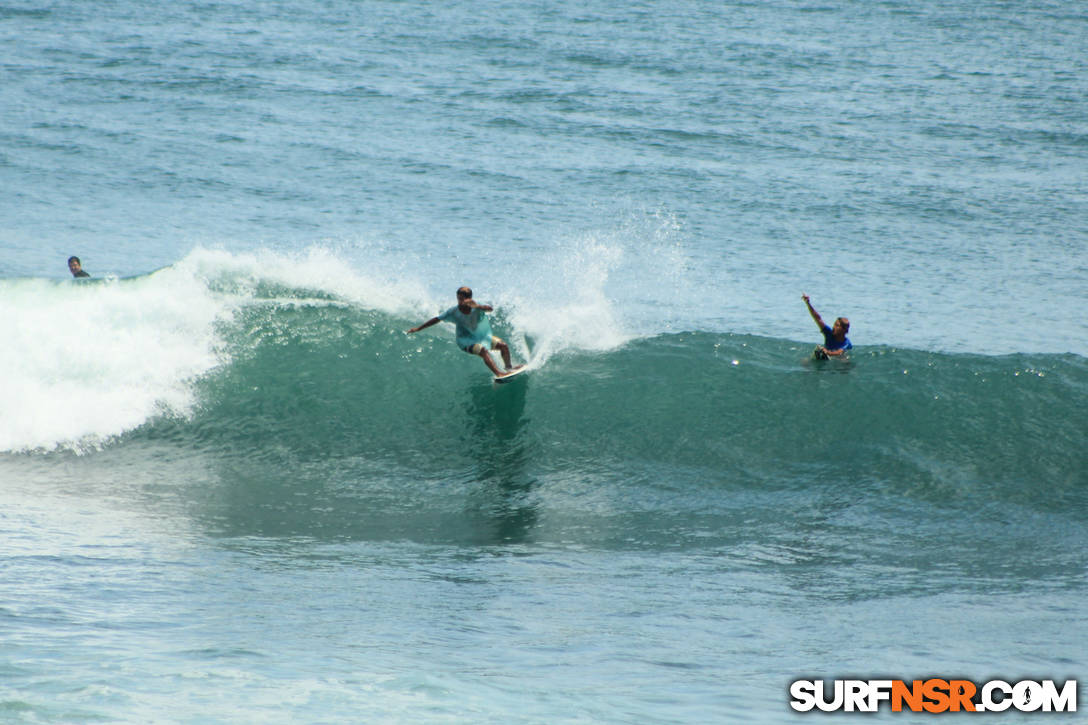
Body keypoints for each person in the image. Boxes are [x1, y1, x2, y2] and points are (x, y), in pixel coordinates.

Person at [407, 286, 523, 377]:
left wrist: (478, 306)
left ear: (469, 298)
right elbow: (437, 319)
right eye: (458, 298)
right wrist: (418, 328)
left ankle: (508, 368)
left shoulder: (475, 306)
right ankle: (499, 373)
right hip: (465, 341)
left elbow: (490, 309)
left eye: (462, 299)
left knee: (503, 346)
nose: (459, 301)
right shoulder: (453, 311)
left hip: (479, 337)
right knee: (482, 350)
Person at [802, 293, 851, 359]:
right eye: (834, 325)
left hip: (837, 358)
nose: (833, 327)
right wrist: (808, 303)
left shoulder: (846, 343)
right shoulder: (829, 333)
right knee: (806, 359)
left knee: (844, 359)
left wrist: (827, 352)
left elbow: (839, 352)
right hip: (827, 354)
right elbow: (818, 318)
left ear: (844, 330)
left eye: (837, 326)